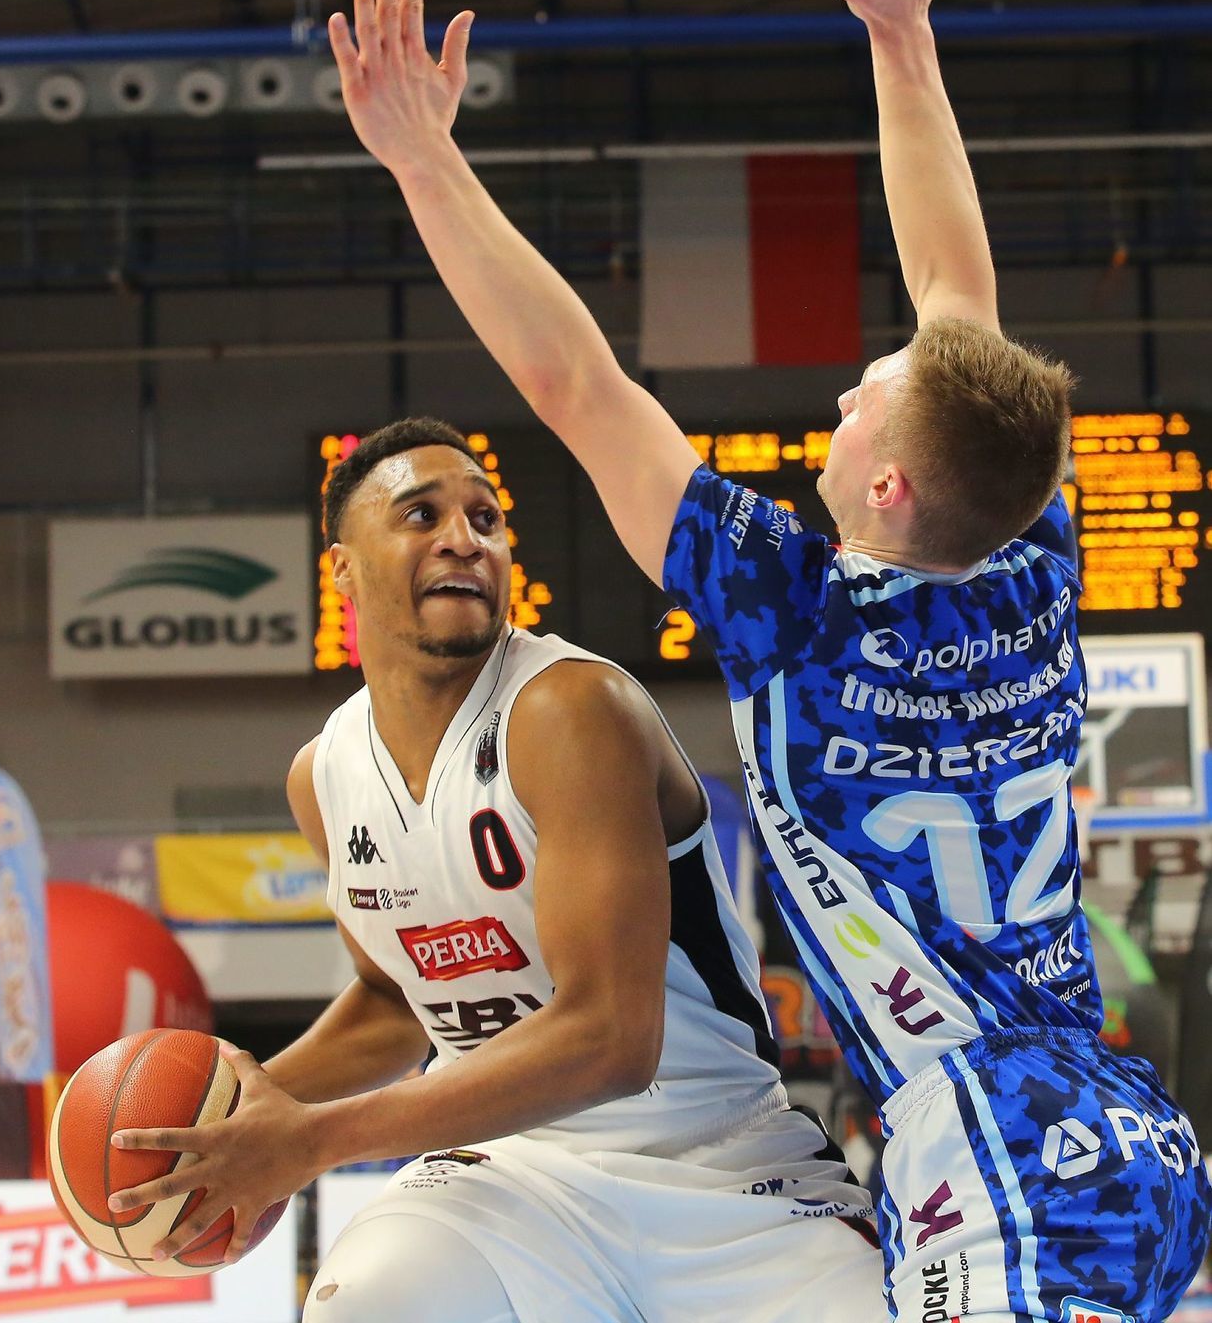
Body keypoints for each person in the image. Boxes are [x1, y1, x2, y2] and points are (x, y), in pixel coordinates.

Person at [324, 0, 1212, 1322]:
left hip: (994, 1141)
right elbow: (958, 300)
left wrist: (424, 158)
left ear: (890, 490)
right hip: (1104, 1121)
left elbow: (574, 383)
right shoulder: (1027, 559)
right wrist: (903, 41)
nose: (851, 387)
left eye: (869, 397)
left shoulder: (799, 612)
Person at [110, 416, 883, 1322]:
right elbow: (399, 1000)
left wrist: (306, 1139)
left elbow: (609, 1039)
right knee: (369, 1301)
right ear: (343, 570)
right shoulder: (323, 775)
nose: (463, 537)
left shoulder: (571, 706)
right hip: (508, 1172)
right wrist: (241, 1118)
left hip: (719, 1163)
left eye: (486, 517)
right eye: (420, 514)